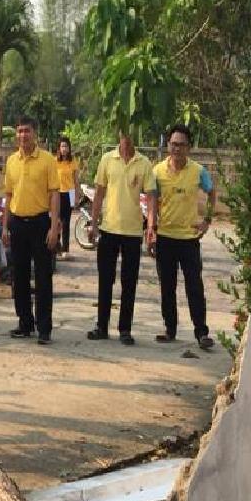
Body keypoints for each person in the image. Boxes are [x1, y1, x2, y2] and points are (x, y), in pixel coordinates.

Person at [149, 125, 217, 351]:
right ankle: (170, 329)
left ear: (189, 147)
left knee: (194, 286)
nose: (176, 148)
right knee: (167, 286)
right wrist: (150, 229)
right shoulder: (157, 171)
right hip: (165, 237)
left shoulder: (198, 171)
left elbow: (212, 192)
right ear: (168, 145)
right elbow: (151, 201)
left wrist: (207, 220)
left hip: (189, 239)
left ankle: (201, 332)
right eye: (173, 144)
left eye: (181, 144)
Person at [87, 131, 157, 346]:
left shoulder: (144, 163)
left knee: (129, 282)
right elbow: (99, 193)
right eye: (123, 133)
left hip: (133, 232)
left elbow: (152, 196)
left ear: (135, 134)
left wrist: (151, 226)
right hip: (108, 230)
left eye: (130, 133)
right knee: (105, 280)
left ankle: (125, 329)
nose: (126, 138)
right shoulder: (107, 159)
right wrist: (94, 223)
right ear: (118, 135)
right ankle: (101, 326)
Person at [2, 117, 61, 345]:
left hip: (40, 224)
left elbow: (55, 194)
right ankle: (25, 322)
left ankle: (44, 327)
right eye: (19, 131)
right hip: (17, 223)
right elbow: (8, 195)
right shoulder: (11, 161)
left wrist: (54, 226)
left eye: (27, 131)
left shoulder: (47, 160)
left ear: (34, 133)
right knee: (20, 276)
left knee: (44, 277)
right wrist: (5, 227)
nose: (23, 135)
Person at [55, 136, 78, 259]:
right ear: (59, 148)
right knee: (56, 221)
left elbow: (76, 181)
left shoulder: (73, 162)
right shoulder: (54, 162)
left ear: (69, 148)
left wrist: (76, 197)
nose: (64, 149)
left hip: (69, 193)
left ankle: (65, 249)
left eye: (66, 146)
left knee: (66, 222)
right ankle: (56, 248)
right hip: (57, 194)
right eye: (62, 146)